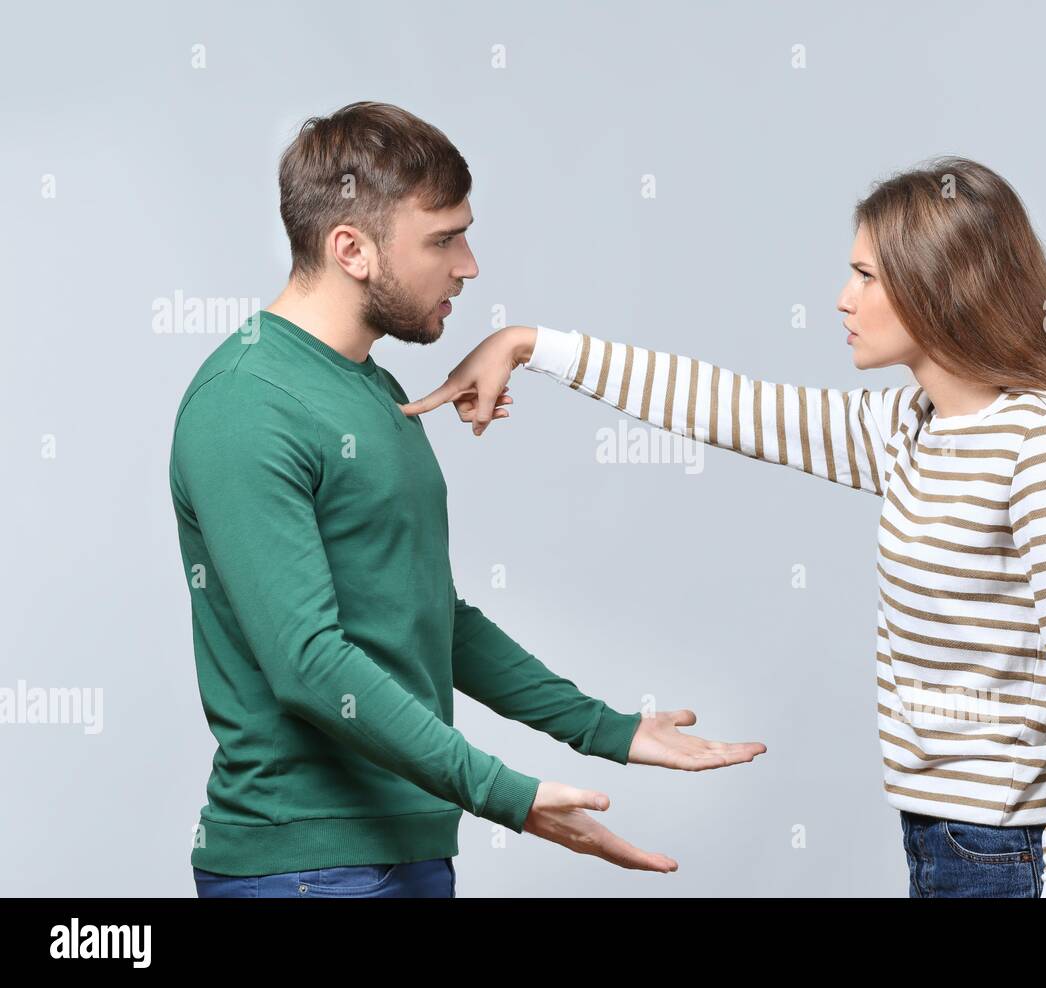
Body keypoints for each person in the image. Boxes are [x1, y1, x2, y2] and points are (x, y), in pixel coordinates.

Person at [403, 157, 1046, 898]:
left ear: (944, 287)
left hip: (1021, 860)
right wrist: (530, 345)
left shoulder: (1045, 449)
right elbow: (725, 404)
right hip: (948, 846)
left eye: (866, 276)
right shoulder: (911, 425)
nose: (842, 298)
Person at [170, 101, 765, 899]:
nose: (469, 265)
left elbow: (432, 619)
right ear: (351, 248)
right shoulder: (246, 403)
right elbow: (309, 666)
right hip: (304, 869)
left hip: (410, 851)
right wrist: (505, 794)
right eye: (443, 239)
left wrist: (607, 731)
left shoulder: (377, 391)